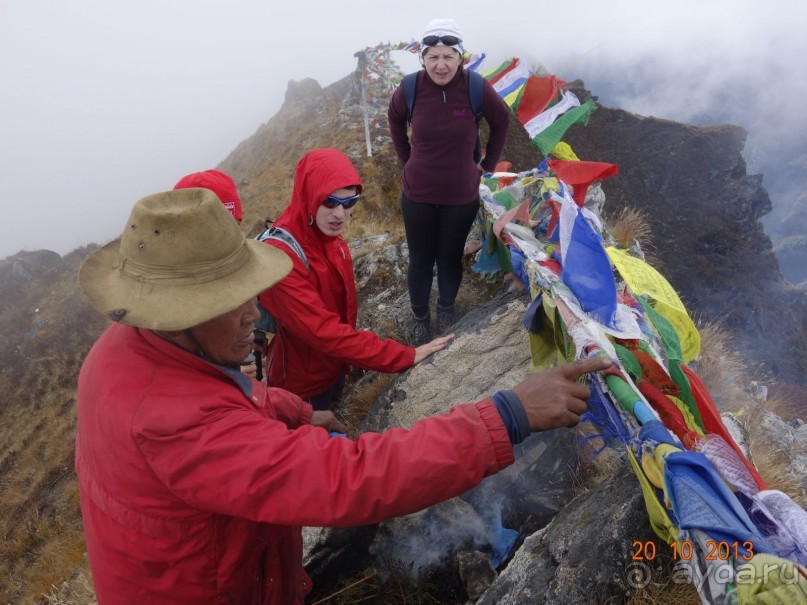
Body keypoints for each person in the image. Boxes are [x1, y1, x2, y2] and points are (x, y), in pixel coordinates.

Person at [75, 187, 611, 604]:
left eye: (247, 292)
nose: (253, 315)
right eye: (228, 302)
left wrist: (297, 409)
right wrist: (508, 414)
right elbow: (346, 479)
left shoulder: (127, 347)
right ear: (178, 315)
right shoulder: (169, 421)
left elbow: (224, 397)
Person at [258, 148, 452, 410]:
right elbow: (324, 331)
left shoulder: (327, 237)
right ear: (308, 195)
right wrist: (403, 355)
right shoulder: (280, 257)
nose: (340, 214)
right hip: (301, 388)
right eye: (330, 202)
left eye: (349, 203)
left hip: (336, 366)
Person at [388, 18, 511, 344]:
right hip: (418, 194)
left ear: (461, 57)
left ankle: (445, 311)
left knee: (449, 256)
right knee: (420, 258)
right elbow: (395, 119)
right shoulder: (411, 87)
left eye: (448, 57)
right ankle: (419, 318)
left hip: (461, 195)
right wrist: (407, 160)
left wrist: (487, 165)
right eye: (433, 57)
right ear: (423, 58)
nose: (440, 65)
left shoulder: (475, 87)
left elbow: (501, 121)